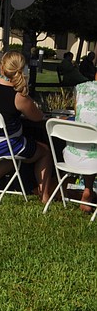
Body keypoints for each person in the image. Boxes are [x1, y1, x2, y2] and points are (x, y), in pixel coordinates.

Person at [0, 51, 55, 203]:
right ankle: (44, 196)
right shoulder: (18, 96)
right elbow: (37, 117)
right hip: (0, 146)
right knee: (44, 151)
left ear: (2, 67)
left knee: (11, 150)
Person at [63, 72, 97, 212]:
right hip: (93, 161)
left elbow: (78, 116)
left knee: (89, 148)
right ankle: (88, 190)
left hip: (71, 158)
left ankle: (87, 189)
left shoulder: (80, 88)